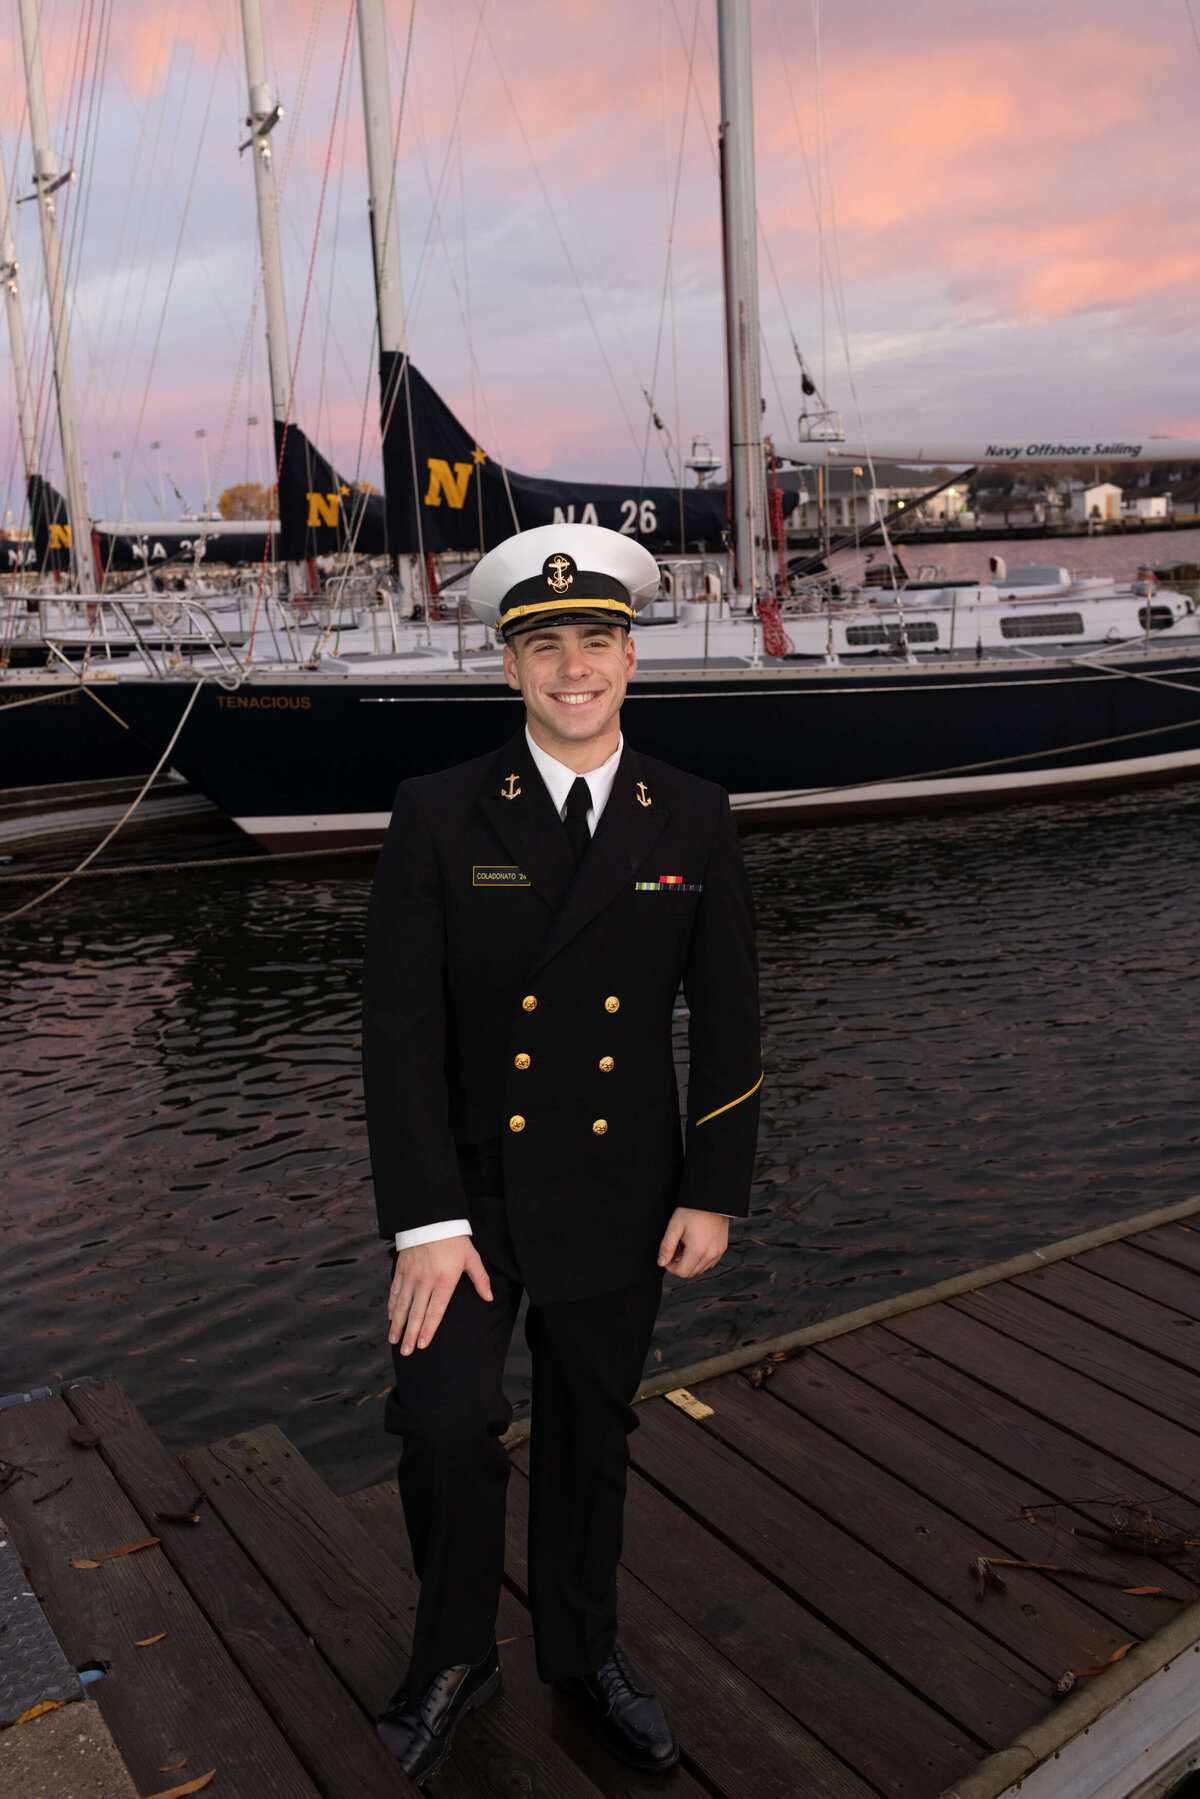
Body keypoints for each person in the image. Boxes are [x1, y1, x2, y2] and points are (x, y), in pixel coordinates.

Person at [361, 522, 761, 1783]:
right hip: (469, 1197)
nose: (573, 667)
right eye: (545, 645)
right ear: (509, 666)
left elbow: (734, 1014)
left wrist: (715, 1189)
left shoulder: (691, 815)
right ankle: (454, 1650)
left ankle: (584, 1650)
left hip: (618, 1185)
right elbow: (397, 1033)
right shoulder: (439, 812)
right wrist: (424, 1220)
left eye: (596, 640)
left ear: (632, 658)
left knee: (593, 1431)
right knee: (442, 1421)